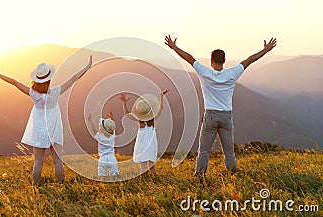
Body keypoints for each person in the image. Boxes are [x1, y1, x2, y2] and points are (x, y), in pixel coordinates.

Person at [165, 35, 277, 181]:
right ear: (224, 61)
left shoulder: (205, 73)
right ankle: (233, 176)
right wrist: (266, 50)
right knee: (229, 151)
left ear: (211, 62)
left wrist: (174, 47)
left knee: (204, 151)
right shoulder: (232, 73)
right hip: (226, 116)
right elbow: (249, 60)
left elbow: (189, 58)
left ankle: (199, 176)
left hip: (210, 116)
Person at [0, 56, 92, 185]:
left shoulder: (33, 93)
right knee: (58, 161)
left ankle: (35, 186)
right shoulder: (55, 92)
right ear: (49, 79)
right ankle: (62, 185)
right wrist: (86, 67)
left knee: (38, 161)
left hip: (39, 129)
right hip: (54, 128)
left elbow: (14, 82)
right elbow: (73, 78)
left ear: (37, 80)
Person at [119, 90, 168, 175]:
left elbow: (126, 114)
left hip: (141, 144)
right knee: (152, 167)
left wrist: (124, 102)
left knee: (143, 167)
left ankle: (143, 181)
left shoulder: (139, 121)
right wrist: (161, 96)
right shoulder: (153, 119)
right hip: (151, 144)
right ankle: (154, 180)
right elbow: (161, 108)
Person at [87, 109, 119, 178]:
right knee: (115, 177)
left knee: (103, 177)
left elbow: (93, 130)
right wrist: (112, 117)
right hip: (112, 158)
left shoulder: (100, 137)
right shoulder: (112, 136)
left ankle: (104, 185)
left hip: (102, 159)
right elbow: (112, 127)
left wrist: (90, 121)